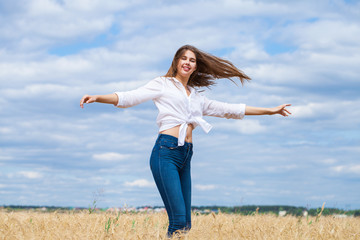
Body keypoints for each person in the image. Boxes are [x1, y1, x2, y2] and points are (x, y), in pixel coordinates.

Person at [80, 45, 291, 237]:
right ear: (176, 62)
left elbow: (231, 109)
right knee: (178, 221)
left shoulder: (197, 96)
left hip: (185, 155)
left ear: (195, 66)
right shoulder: (162, 84)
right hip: (166, 152)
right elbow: (129, 97)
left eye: (192, 60)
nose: (187, 62)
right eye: (183, 58)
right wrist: (98, 97)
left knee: (186, 224)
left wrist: (270, 111)